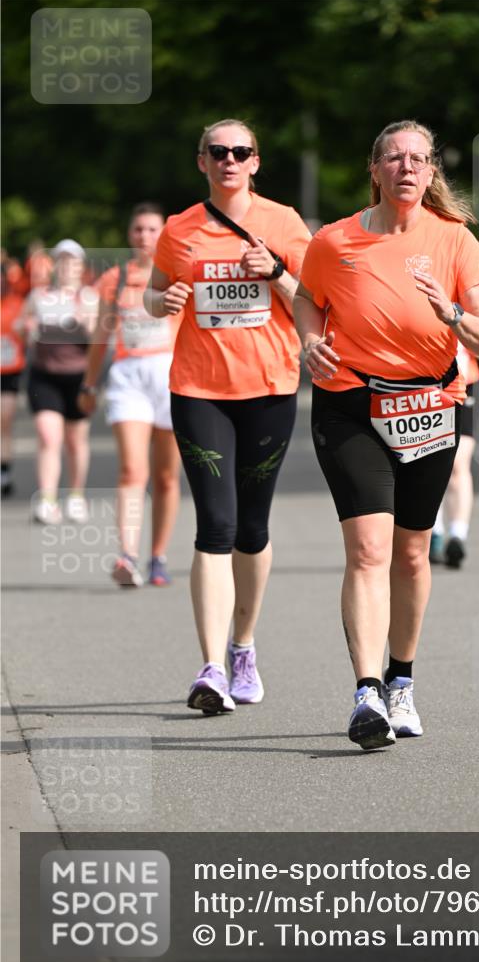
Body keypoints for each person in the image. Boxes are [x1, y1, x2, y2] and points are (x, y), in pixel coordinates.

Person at [294, 120, 479, 750]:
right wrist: (308, 341)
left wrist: (454, 315)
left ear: (432, 171)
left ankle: (401, 680)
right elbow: (307, 298)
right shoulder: (335, 241)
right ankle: (365, 694)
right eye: (395, 157)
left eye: (420, 158)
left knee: (412, 552)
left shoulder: (457, 242)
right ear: (375, 169)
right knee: (368, 551)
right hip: (351, 406)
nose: (408, 167)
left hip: (431, 405)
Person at [144, 118, 311, 712]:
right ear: (202, 162)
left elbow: (316, 302)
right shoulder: (180, 228)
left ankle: (244, 645)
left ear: (256, 162)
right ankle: (212, 667)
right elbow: (153, 291)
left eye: (240, 151)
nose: (230, 160)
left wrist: (277, 272)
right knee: (215, 526)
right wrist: (159, 300)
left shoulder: (285, 223)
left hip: (268, 388)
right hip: (199, 390)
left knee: (251, 529)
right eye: (218, 152)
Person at [78, 203, 182, 588]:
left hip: (170, 375)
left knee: (167, 476)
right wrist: (89, 384)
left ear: (164, 234)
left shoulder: (177, 275)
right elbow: (100, 337)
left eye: (152, 230)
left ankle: (158, 556)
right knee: (131, 470)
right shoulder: (114, 279)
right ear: (129, 235)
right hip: (128, 377)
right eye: (138, 229)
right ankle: (127, 555)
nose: (144, 237)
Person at [21, 240, 98, 524]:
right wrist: (26, 328)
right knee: (47, 436)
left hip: (78, 377)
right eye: (62, 261)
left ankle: (76, 496)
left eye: (73, 261)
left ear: (80, 266)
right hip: (44, 376)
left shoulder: (89, 297)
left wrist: (85, 323)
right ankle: (48, 500)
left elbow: (98, 340)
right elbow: (21, 325)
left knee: (75, 441)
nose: (67, 267)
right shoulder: (39, 296)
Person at [429, 341, 479, 568]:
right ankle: (435, 532)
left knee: (459, 465)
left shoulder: (464, 303)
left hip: (461, 383)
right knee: (427, 462)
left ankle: (458, 535)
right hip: (420, 382)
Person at [1, 260, 26, 497]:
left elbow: (28, 336)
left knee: (4, 420)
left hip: (9, 372)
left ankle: (4, 472)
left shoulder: (18, 304)